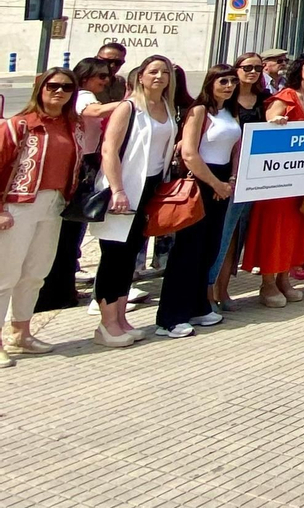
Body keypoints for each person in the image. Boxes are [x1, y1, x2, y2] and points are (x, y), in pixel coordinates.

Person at [90, 54, 179, 347]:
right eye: (152, 71)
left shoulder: (166, 107)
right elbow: (109, 151)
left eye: (164, 72)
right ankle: (106, 324)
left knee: (130, 256)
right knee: (113, 257)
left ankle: (121, 317)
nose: (159, 77)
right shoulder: (128, 107)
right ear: (140, 76)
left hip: (151, 189)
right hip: (124, 188)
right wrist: (117, 190)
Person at [153, 64, 240, 336]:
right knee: (188, 250)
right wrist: (215, 183)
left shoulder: (230, 111)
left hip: (223, 180)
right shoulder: (199, 111)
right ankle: (170, 316)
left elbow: (235, 148)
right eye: (223, 81)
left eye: (232, 82)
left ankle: (197, 306)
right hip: (201, 181)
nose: (228, 86)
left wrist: (231, 181)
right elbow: (190, 153)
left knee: (210, 248)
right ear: (210, 83)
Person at [0, 69, 81, 363]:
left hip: (54, 203)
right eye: (53, 86)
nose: (59, 92)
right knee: (5, 274)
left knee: (36, 273)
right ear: (40, 88)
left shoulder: (72, 126)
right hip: (19, 204)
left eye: (67, 87)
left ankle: (20, 332)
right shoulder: (20, 125)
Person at [244, 50, 304, 305]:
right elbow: (270, 121)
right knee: (277, 230)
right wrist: (277, 121)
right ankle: (268, 284)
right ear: (301, 68)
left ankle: (285, 279)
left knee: (298, 230)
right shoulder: (284, 97)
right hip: (280, 180)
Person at [33, 56, 117, 313]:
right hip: (80, 166)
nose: (106, 80)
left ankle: (63, 287)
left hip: (86, 163)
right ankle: (55, 291)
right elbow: (94, 112)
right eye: (101, 76)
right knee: (66, 234)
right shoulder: (83, 97)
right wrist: (128, 103)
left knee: (71, 236)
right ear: (86, 77)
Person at [207, 52, 267, 312]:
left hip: (254, 175)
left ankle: (223, 290)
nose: (252, 72)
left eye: (257, 68)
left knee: (236, 236)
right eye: (247, 67)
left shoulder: (264, 100)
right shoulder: (226, 101)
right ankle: (207, 292)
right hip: (227, 176)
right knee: (221, 234)